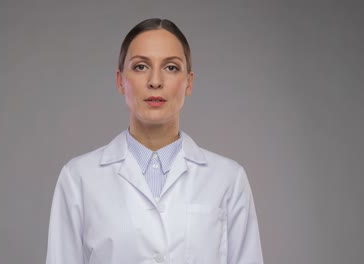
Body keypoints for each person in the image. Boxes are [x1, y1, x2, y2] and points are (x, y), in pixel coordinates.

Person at [45, 18, 264, 264]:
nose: (155, 81)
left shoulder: (227, 179)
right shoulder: (78, 178)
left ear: (189, 82)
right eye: (140, 67)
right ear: (120, 81)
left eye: (171, 67)